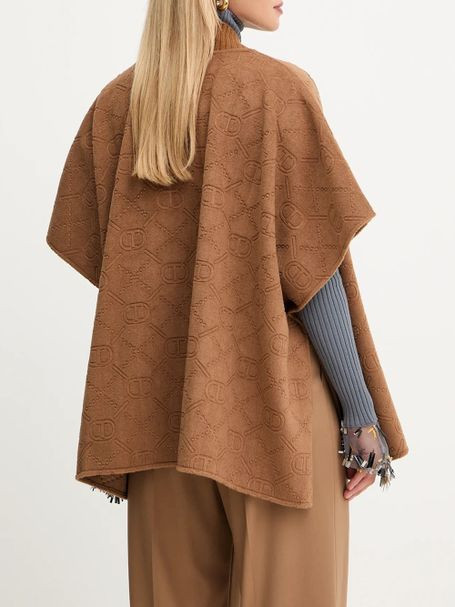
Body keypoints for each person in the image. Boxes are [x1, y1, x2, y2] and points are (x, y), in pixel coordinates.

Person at [46, 1, 409, 605]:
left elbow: (109, 266)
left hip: (161, 422)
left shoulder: (117, 104)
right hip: (276, 416)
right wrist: (361, 416)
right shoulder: (278, 90)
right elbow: (314, 271)